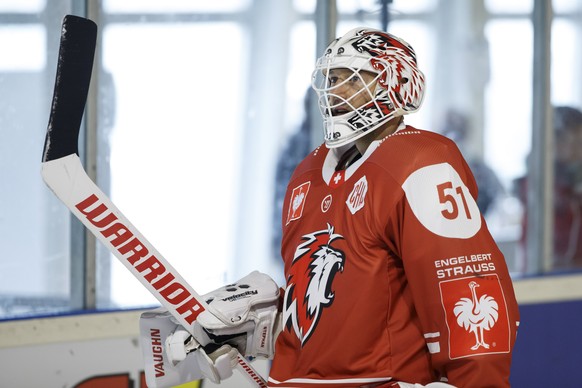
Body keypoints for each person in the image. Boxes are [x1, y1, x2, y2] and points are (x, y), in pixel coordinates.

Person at [139, 27, 520, 388]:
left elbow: (465, 283)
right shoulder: (307, 171)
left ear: (397, 85)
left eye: (354, 79)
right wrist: (261, 324)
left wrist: (476, 382)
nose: (337, 91)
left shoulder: (422, 162)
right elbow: (338, 294)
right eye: (332, 79)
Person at [514, 106, 582, 270]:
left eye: (579, 142)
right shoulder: (541, 189)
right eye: (568, 141)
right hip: (551, 282)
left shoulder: (573, 189)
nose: (575, 150)